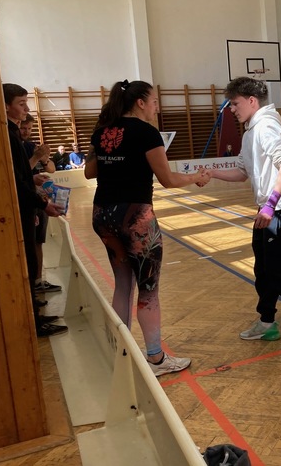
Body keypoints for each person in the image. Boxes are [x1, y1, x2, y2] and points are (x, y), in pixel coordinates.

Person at [85, 79, 209, 376]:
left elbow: (90, 172)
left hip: (103, 215)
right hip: (135, 219)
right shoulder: (146, 133)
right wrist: (196, 177)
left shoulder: (102, 131)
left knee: (123, 284)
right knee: (148, 289)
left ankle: (122, 351)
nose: (157, 107)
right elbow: (167, 179)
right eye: (154, 101)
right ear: (140, 102)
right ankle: (156, 358)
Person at [208, 77, 281, 352]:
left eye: (235, 103)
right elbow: (242, 172)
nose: (231, 109)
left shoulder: (267, 126)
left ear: (252, 101)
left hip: (279, 209)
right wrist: (212, 173)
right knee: (263, 269)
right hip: (265, 210)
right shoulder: (250, 131)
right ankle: (267, 322)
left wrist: (270, 205)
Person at [3, 83, 67, 337]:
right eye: (21, 103)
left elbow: (20, 176)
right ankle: (34, 323)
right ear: (5, 106)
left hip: (25, 207)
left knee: (30, 261)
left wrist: (32, 179)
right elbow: (14, 182)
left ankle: (34, 314)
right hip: (20, 209)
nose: (27, 109)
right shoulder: (8, 136)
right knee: (28, 262)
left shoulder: (12, 134)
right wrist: (42, 204)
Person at [20, 115, 61, 295]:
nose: (26, 131)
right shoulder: (15, 147)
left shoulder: (30, 146)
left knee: (38, 241)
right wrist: (36, 158)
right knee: (28, 242)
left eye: (29, 128)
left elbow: (51, 168)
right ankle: (29, 281)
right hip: (27, 201)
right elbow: (19, 173)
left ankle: (37, 280)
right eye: (23, 128)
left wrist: (44, 159)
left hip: (39, 200)